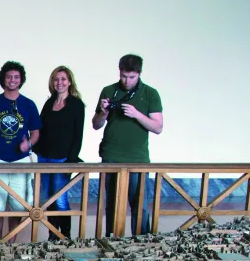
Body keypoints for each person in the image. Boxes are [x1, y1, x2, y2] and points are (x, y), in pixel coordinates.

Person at [93, 54, 163, 236]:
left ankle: (141, 242)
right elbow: (96, 125)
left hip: (137, 157)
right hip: (111, 154)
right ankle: (111, 240)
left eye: (132, 77)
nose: (127, 81)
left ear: (139, 74)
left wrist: (137, 114)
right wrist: (103, 112)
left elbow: (158, 127)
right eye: (124, 76)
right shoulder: (109, 90)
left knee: (139, 205)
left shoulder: (150, 93)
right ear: (119, 72)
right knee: (112, 205)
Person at [0, 61, 42, 242]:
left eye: (16, 77)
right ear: (3, 79)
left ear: (21, 80)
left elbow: (36, 133)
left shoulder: (28, 104)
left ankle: (10, 242)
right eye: (9, 77)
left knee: (19, 206)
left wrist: (28, 144)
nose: (12, 80)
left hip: (20, 163)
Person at [35, 66, 85, 240]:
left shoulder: (76, 105)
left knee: (60, 199)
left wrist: (71, 160)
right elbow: (40, 127)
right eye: (56, 79)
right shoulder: (49, 103)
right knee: (48, 199)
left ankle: (65, 236)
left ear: (69, 81)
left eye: (63, 79)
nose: (60, 82)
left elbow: (78, 134)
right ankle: (52, 234)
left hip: (62, 159)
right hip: (44, 157)